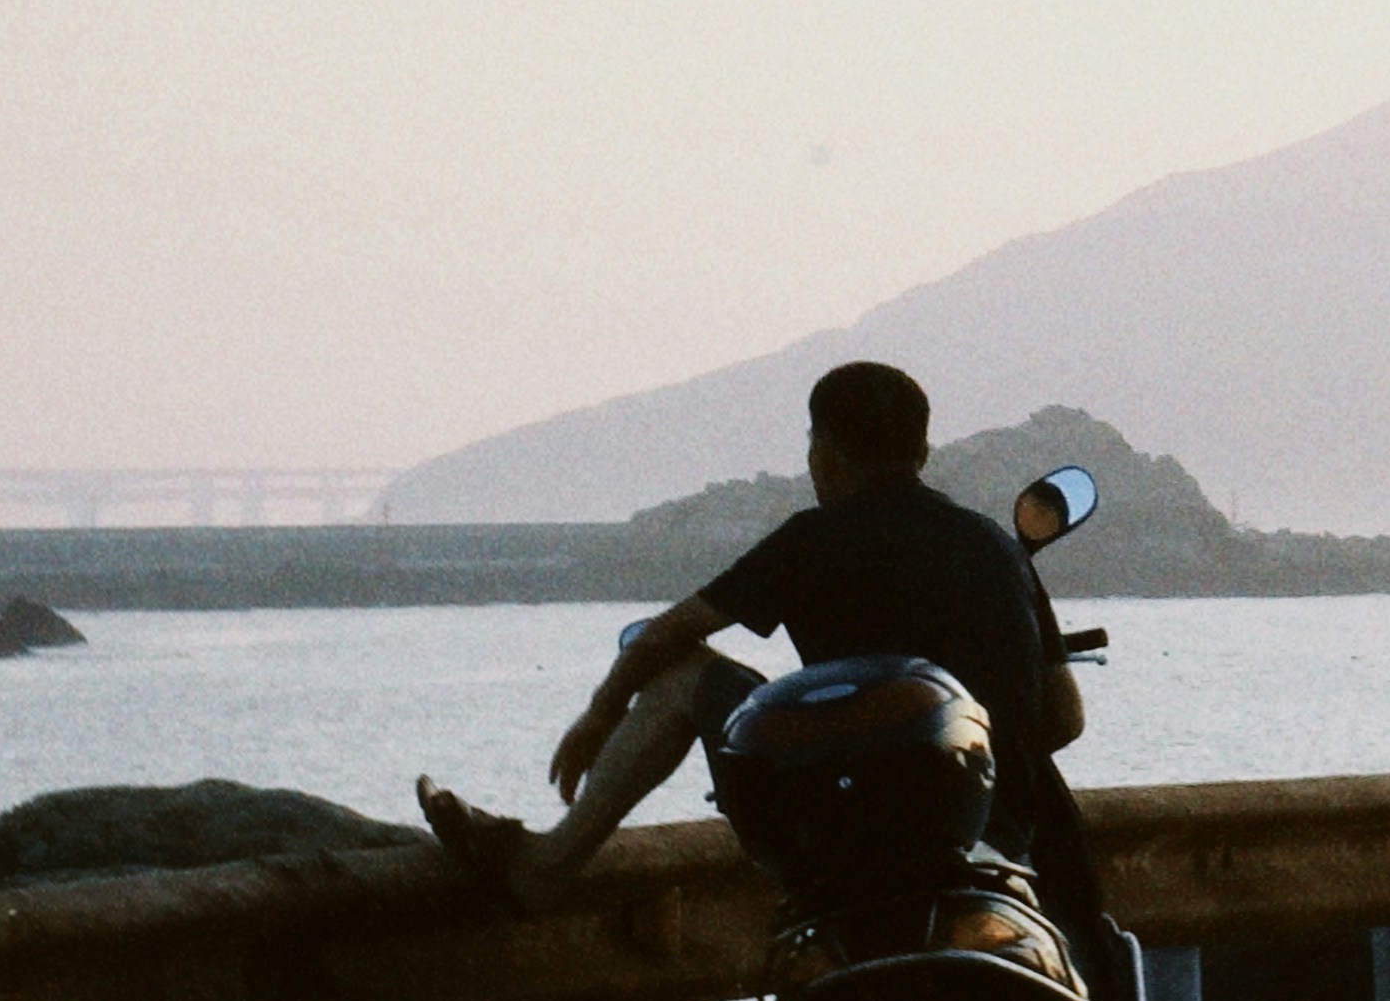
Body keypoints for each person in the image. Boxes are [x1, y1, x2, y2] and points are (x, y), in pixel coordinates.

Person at [418, 358, 1104, 941]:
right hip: (996, 843)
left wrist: (601, 712)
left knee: (686, 676)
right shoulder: (996, 547)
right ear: (921, 454)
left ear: (823, 453)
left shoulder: (815, 539)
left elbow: (667, 636)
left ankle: (542, 870)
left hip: (846, 838)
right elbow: (1063, 721)